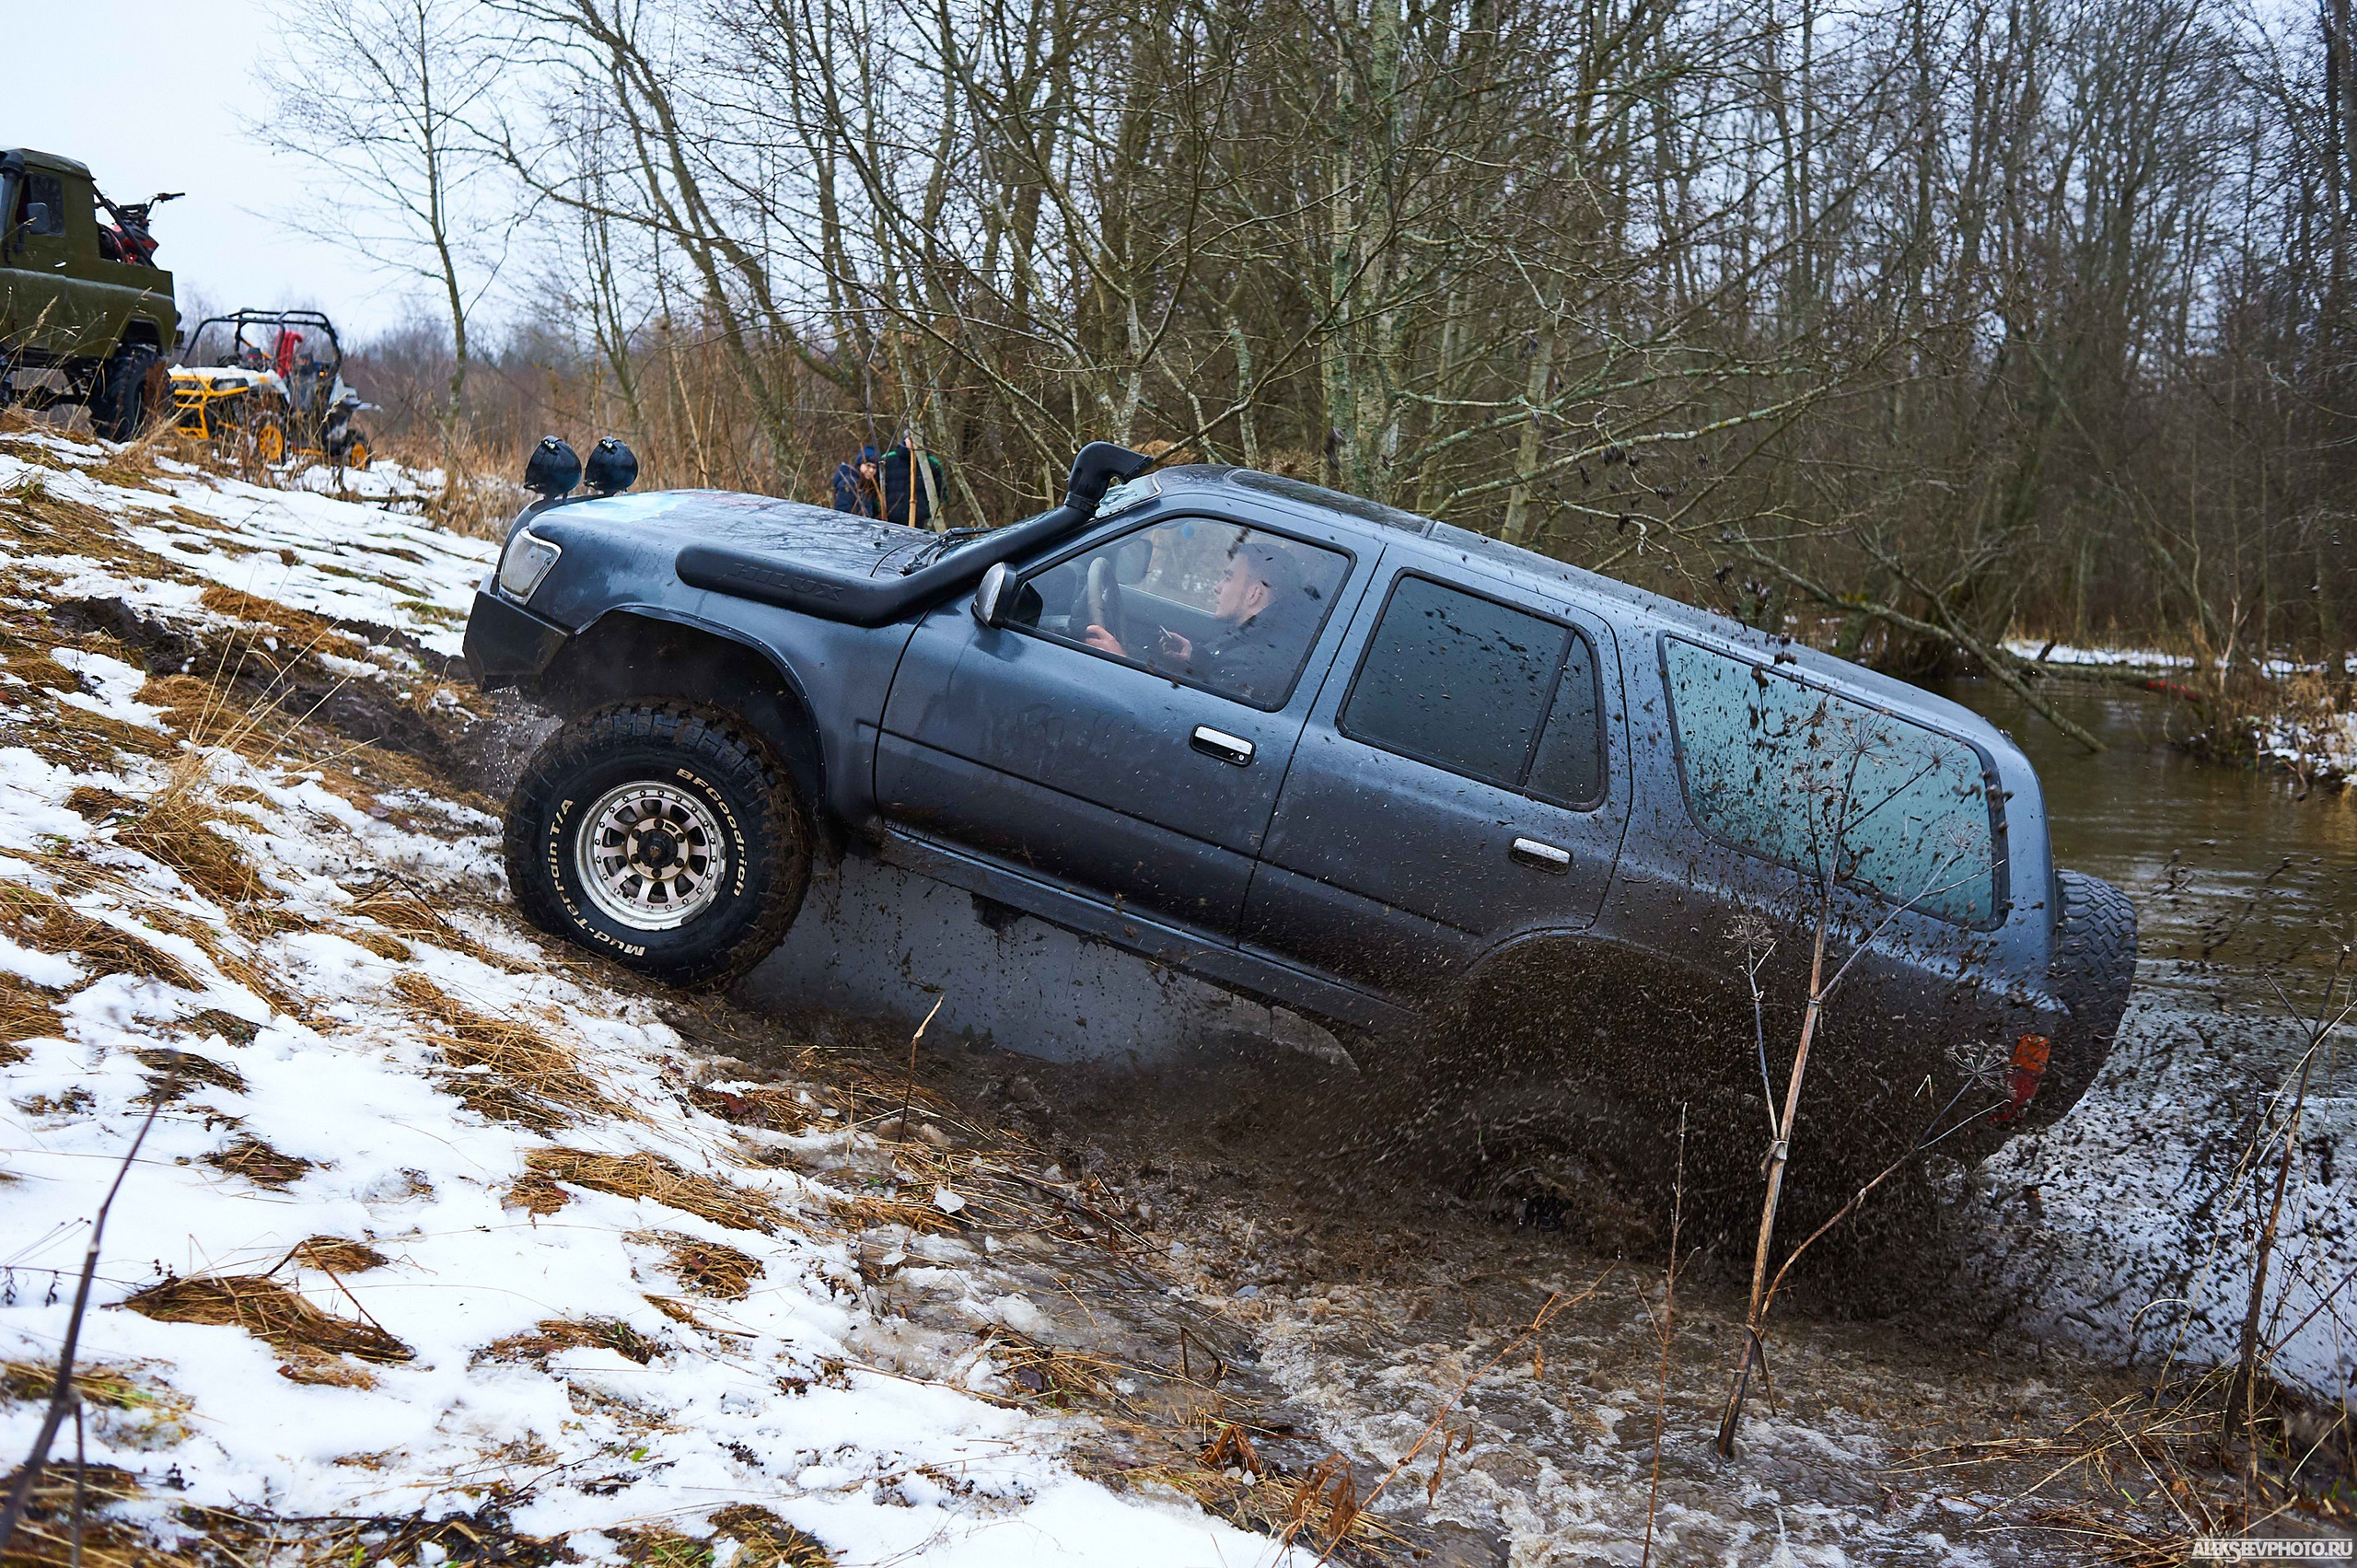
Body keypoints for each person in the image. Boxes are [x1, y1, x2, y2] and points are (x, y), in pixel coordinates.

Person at [1084, 539, 1309, 705]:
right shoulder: (1254, 641)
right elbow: (1211, 681)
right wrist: (1194, 658)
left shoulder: (1252, 665)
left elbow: (1183, 713)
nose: (1217, 586)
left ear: (1254, 594)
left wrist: (1122, 664)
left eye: (1228, 578)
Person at [879, 441, 948, 528]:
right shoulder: (888, 460)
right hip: (890, 520)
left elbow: (942, 494)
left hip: (920, 522)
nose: (912, 441)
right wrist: (881, 510)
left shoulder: (933, 464)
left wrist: (927, 514)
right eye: (909, 438)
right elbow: (875, 490)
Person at [830, 445, 882, 517]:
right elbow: (842, 510)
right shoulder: (849, 482)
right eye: (868, 465)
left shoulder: (867, 486)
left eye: (874, 467)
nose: (871, 470)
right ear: (860, 465)